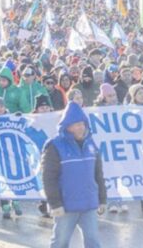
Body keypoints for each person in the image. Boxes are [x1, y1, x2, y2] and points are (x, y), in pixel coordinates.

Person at [42, 102, 106, 248]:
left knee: (93, 242)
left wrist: (102, 199)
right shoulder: (54, 146)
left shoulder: (91, 144)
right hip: (65, 206)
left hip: (88, 204)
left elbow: (98, 175)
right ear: (67, 126)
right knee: (60, 243)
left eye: (82, 124)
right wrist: (55, 204)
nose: (81, 127)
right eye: (76, 124)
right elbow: (48, 178)